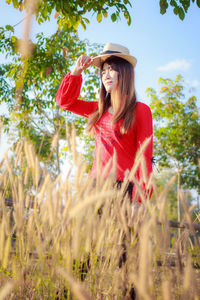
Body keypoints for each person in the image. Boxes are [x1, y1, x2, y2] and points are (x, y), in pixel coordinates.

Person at [56, 42, 153, 204]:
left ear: (125, 73)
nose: (106, 75)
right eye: (103, 71)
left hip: (125, 189)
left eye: (112, 69)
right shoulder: (97, 109)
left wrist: (139, 200)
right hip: (95, 188)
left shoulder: (141, 110)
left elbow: (145, 157)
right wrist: (77, 70)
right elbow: (64, 102)